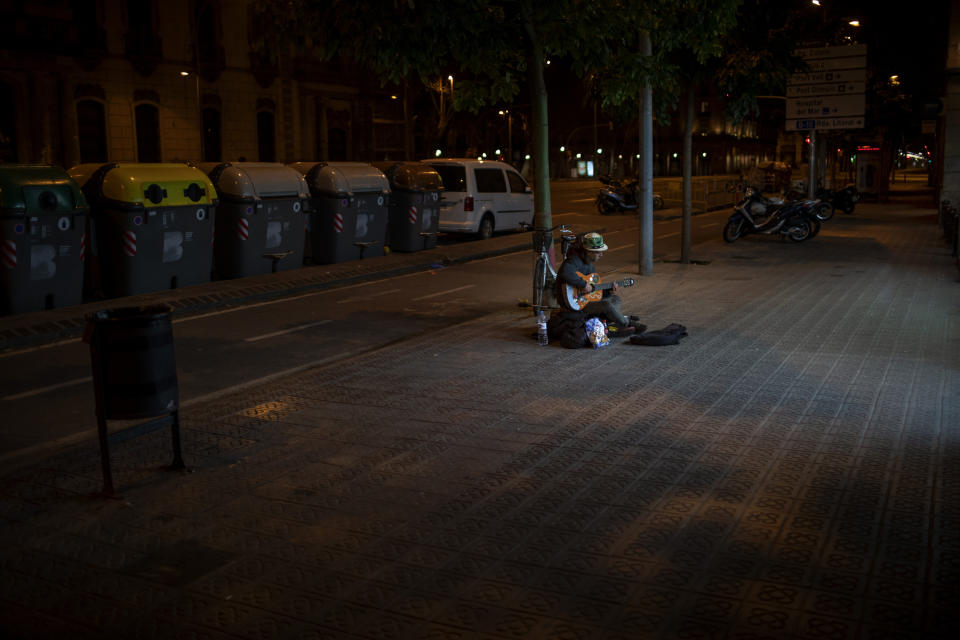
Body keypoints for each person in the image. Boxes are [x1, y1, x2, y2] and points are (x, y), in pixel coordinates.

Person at [555, 232, 643, 332]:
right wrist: (583, 284)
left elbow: (593, 292)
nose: (601, 255)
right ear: (588, 251)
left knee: (615, 299)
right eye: (598, 252)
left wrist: (608, 291)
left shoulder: (590, 266)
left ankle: (615, 319)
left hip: (585, 301)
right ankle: (626, 323)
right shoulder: (574, 260)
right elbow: (565, 272)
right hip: (573, 304)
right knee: (606, 305)